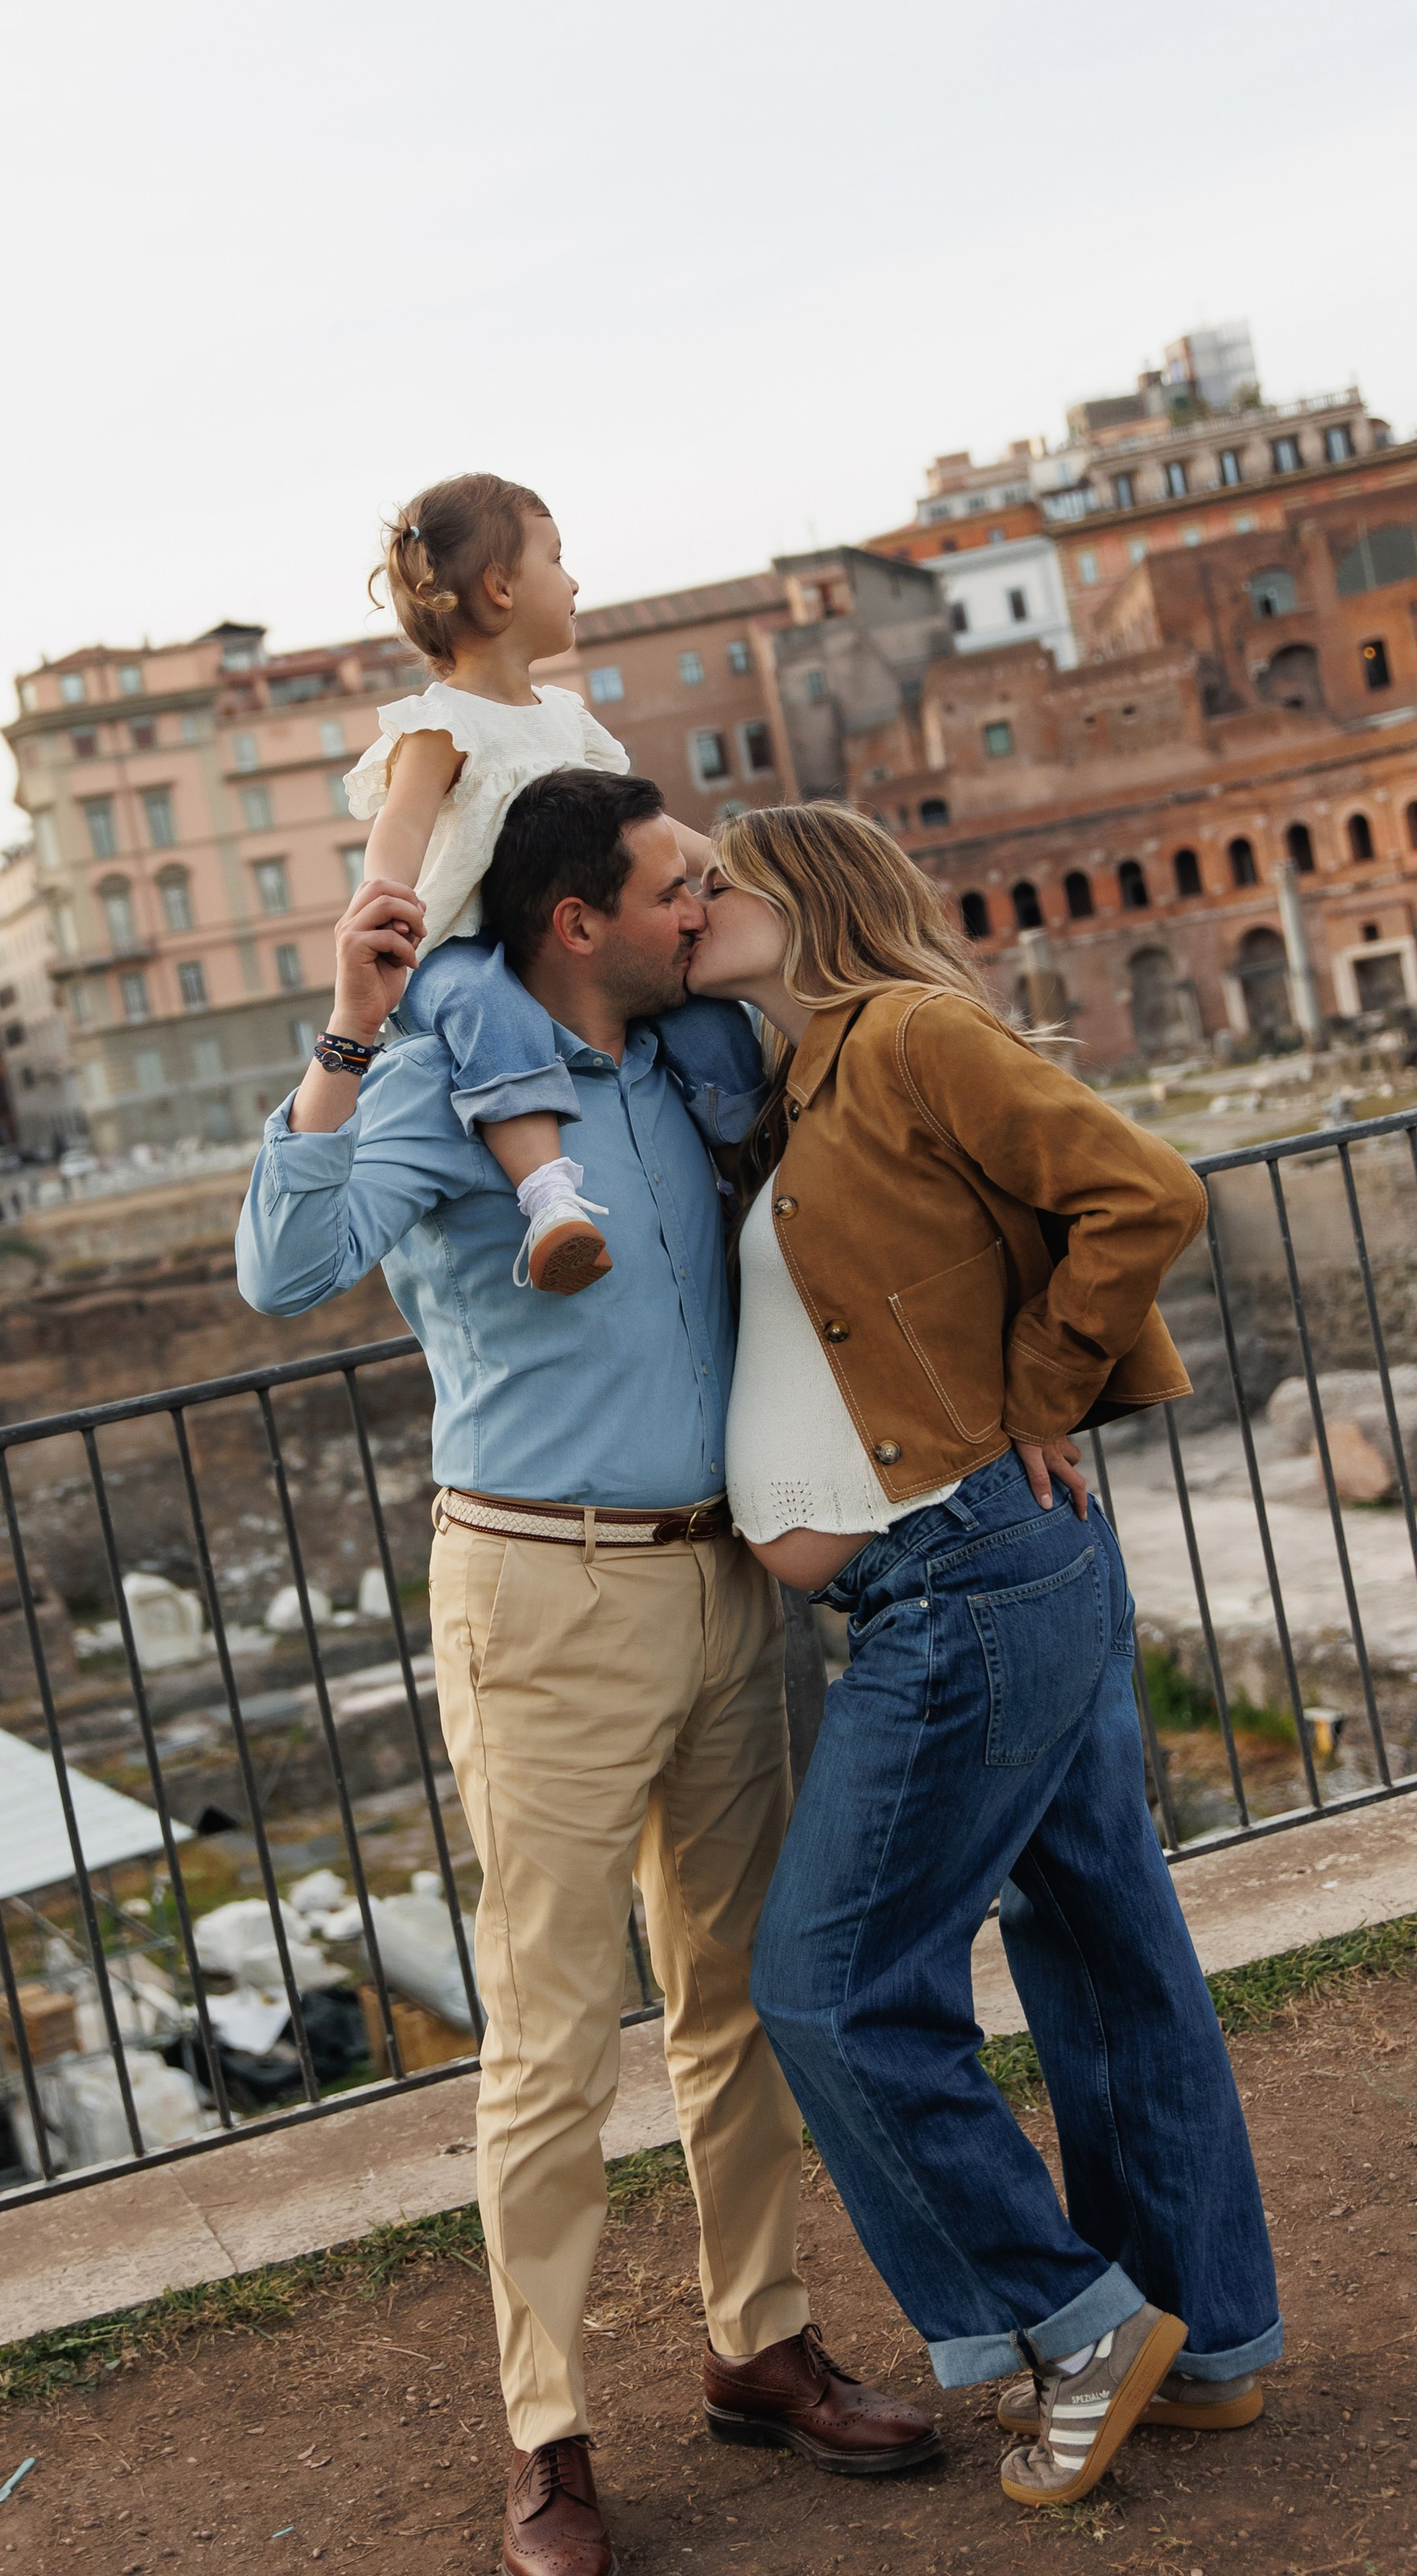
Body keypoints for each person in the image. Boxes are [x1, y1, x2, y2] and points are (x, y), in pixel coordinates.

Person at [236, 771, 937, 2576]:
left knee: (735, 1994)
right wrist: (343, 1024)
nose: (694, 907)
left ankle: (754, 2340)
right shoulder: (433, 1082)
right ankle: (544, 2435)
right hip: (537, 1598)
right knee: (549, 2038)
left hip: (723, 1572)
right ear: (575, 921)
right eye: (668, 888)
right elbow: (281, 1261)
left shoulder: (694, 1056)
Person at [685, 799, 1282, 2512]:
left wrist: (1037, 1399)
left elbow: (1140, 1191)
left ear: (809, 898)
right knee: (1102, 1942)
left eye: (724, 879)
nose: (702, 902)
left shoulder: (914, 1033)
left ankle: (1071, 2323)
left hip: (959, 1577)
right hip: (990, 1568)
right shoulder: (809, 1077)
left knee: (825, 1984)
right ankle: (1212, 2343)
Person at [350, 471, 763, 1293]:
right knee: (484, 1010)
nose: (574, 582)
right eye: (557, 559)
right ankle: (550, 1204)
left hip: (583, 948)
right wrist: (384, 904)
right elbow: (400, 822)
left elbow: (639, 829)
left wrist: (731, 863)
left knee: (706, 1014)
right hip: (469, 952)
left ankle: (753, 1167)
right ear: (501, 587)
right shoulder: (440, 721)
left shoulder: (569, 718)